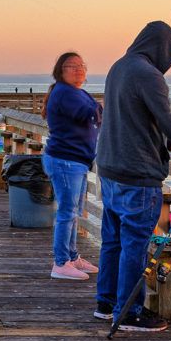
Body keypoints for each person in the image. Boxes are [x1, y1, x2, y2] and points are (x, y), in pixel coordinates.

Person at [95, 21, 171, 333]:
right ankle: (128, 313)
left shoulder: (119, 67)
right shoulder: (148, 74)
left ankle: (106, 303)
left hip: (111, 169)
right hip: (138, 175)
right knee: (135, 246)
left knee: (112, 241)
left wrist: (167, 141)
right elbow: (165, 117)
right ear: (162, 49)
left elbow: (137, 118)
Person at [41, 52, 102, 280]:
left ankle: (73, 257)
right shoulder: (65, 93)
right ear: (60, 70)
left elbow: (96, 112)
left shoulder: (77, 92)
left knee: (74, 212)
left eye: (81, 65)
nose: (78, 69)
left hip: (77, 160)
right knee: (67, 213)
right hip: (66, 161)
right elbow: (91, 113)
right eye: (71, 66)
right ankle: (60, 263)